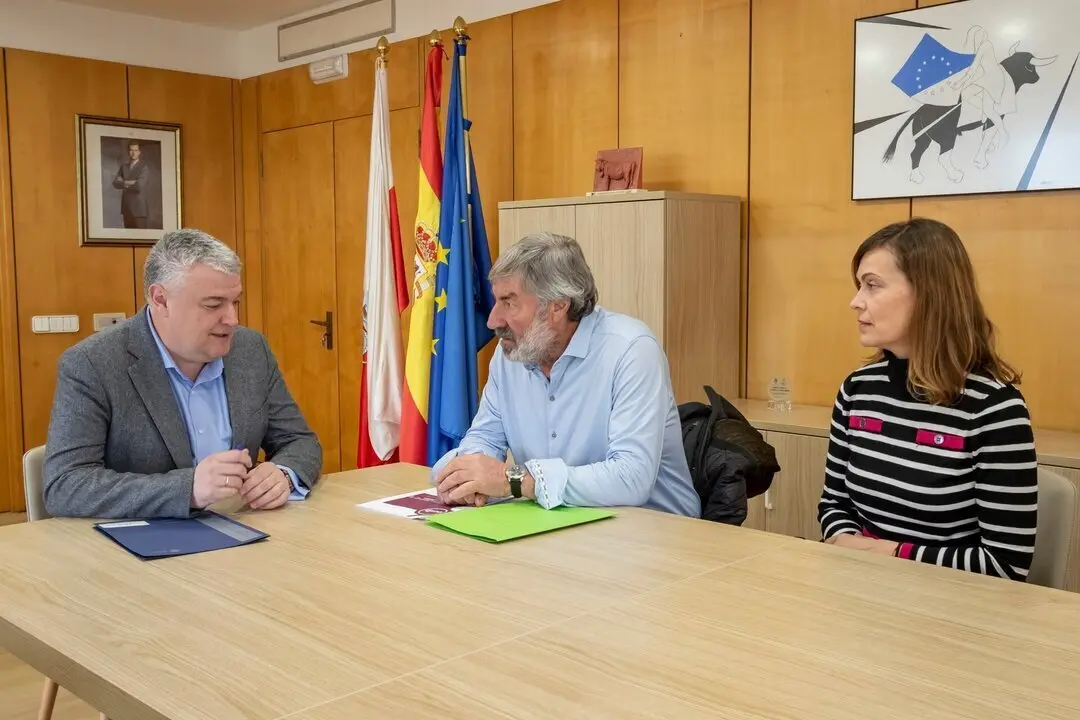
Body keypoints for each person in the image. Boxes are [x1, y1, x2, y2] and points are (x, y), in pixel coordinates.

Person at [43, 229, 322, 519]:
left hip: (241, 532)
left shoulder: (251, 351)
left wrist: (283, 474)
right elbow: (65, 484)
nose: (232, 319)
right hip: (137, 547)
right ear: (160, 299)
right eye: (213, 305)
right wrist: (187, 489)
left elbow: (299, 441)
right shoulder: (93, 363)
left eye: (235, 302)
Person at [817, 217, 1037, 581]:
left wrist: (891, 553)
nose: (855, 302)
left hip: (951, 609)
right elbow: (834, 504)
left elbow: (1005, 565)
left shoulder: (994, 408)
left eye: (872, 286)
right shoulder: (857, 390)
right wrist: (846, 539)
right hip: (859, 586)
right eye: (859, 286)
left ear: (928, 293)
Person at [432, 232, 701, 517]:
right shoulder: (509, 354)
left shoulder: (631, 350)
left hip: (654, 532)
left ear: (558, 305)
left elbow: (631, 478)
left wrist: (515, 481)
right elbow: (485, 438)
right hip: (558, 523)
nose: (492, 320)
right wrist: (467, 476)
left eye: (509, 303)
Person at [112, 139, 149, 229]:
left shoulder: (143, 167)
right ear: (128, 151)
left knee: (140, 238)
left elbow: (138, 186)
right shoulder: (124, 166)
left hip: (139, 209)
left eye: (135, 150)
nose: (133, 153)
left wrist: (123, 182)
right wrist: (129, 182)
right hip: (126, 208)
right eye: (131, 150)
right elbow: (115, 183)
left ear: (139, 152)